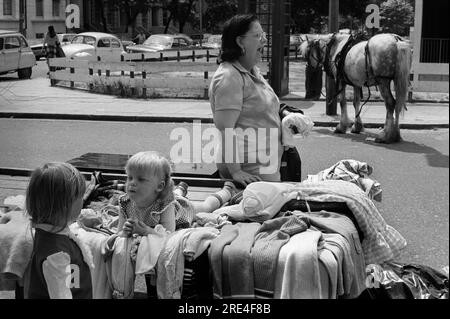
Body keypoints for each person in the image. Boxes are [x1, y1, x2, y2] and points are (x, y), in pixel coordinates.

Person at [104, 151, 237, 298]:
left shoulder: (165, 204)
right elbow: (120, 233)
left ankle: (227, 191)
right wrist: (126, 231)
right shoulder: (125, 202)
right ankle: (181, 188)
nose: (132, 183)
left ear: (159, 186)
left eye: (141, 179)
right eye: (129, 177)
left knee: (206, 206)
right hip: (162, 206)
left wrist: (146, 230)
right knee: (177, 193)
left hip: (180, 212)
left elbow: (169, 235)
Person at [209, 14, 285, 186]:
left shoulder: (251, 71)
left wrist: (286, 114)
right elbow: (226, 130)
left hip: (265, 169)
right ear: (240, 42)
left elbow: (262, 107)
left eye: (263, 35)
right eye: (257, 36)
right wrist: (236, 171)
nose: (264, 40)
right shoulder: (229, 77)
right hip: (251, 175)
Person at [23, 162, 93, 299]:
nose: (83, 201)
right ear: (64, 205)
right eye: (80, 197)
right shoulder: (57, 255)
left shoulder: (49, 234)